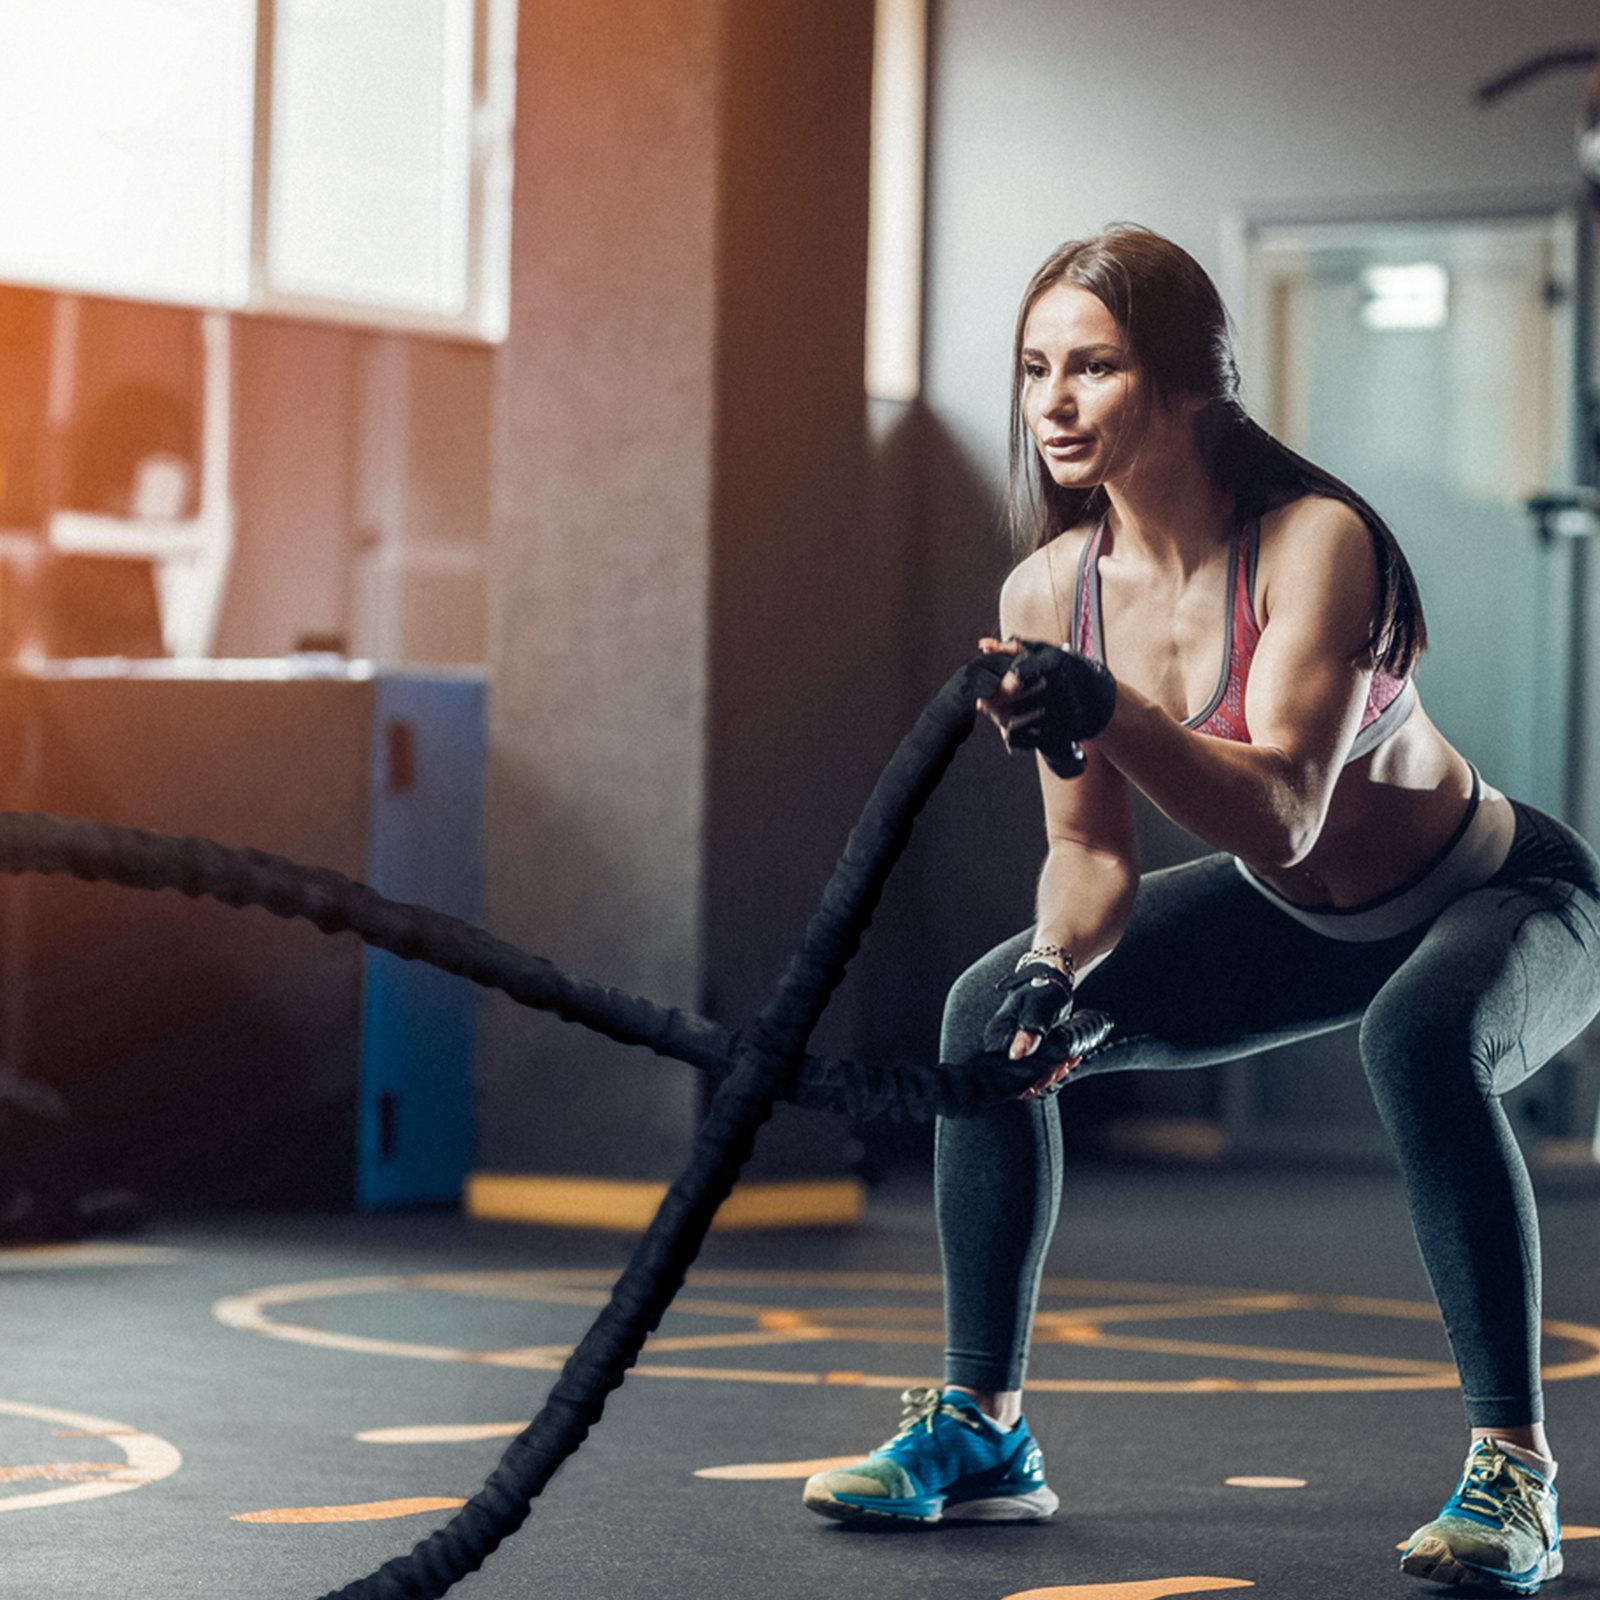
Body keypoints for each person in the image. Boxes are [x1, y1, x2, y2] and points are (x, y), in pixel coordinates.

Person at [802, 225, 1600, 1596]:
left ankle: (1513, 1472)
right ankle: (987, 1433)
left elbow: (1284, 807)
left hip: (1502, 896)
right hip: (1292, 921)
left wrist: (1110, 707)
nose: (1052, 401)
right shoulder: (1051, 589)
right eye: (1036, 369)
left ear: (1187, 386)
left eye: (1094, 367)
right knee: (991, 1006)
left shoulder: (1315, 543)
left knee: (1418, 1041)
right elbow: (1090, 854)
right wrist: (1059, 964)